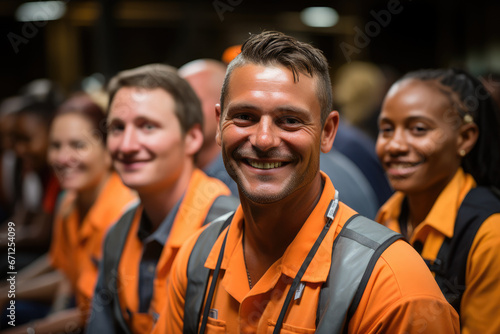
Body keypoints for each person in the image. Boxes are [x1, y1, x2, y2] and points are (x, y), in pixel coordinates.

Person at [153, 31, 459, 333]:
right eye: (245, 116)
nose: (263, 139)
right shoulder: (197, 256)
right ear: (219, 124)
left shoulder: (393, 283)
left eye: (289, 120)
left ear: (327, 132)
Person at [85, 64, 238, 333]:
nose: (127, 145)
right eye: (117, 128)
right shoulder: (118, 233)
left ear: (192, 137)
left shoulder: (231, 233)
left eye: (148, 126)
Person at [0, 92, 138, 333]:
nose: (62, 158)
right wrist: (8, 291)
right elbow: (65, 272)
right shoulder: (68, 202)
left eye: (78, 145)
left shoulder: (121, 212)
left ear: (108, 152)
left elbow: (93, 314)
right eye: (55, 146)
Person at [375, 68, 500, 333]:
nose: (394, 145)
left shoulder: (490, 235)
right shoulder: (388, 216)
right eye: (386, 129)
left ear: (464, 137)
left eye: (418, 129)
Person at [178, 59, 238, 195]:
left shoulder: (243, 180)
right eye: (177, 105)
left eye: (193, 102)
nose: (182, 113)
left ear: (224, 106)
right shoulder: (170, 178)